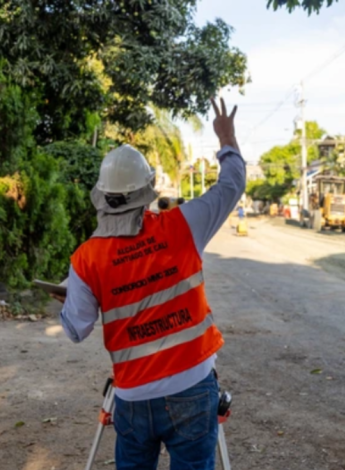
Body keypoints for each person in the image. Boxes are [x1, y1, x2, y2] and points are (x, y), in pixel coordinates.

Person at [52, 98, 245, 470]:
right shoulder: (184, 225)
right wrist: (226, 136)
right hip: (193, 386)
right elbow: (232, 183)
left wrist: (70, 297)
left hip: (133, 396)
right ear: (147, 192)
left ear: (103, 197)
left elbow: (76, 329)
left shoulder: (87, 258)